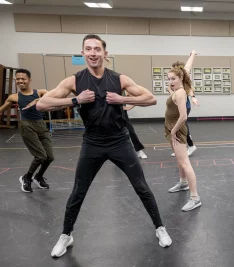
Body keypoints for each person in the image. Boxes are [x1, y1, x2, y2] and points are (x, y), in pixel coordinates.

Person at [35, 34, 172, 257]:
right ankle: (66, 235)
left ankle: (160, 228)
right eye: (88, 49)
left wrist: (122, 99)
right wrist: (75, 100)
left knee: (141, 187)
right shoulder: (74, 81)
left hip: (120, 141)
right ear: (82, 54)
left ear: (105, 54)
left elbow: (150, 98)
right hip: (92, 143)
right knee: (78, 191)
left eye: (97, 49)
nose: (93, 53)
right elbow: (42, 104)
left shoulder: (118, 79)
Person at [0, 68, 53, 192]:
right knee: (41, 156)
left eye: (23, 79)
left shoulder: (40, 92)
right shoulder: (14, 97)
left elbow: (54, 95)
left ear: (29, 80)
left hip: (41, 125)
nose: (20, 81)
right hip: (27, 126)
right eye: (18, 79)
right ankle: (27, 178)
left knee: (50, 157)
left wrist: (37, 100)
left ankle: (38, 176)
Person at [165, 62, 201, 212]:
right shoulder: (176, 91)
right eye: (168, 79)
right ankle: (182, 183)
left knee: (185, 163)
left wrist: (173, 131)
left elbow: (184, 116)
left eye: (173, 79)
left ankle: (195, 198)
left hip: (177, 130)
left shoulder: (180, 92)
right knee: (180, 160)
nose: (170, 82)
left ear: (180, 78)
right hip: (171, 128)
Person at [170, 51, 199, 157]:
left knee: (182, 126)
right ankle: (180, 147)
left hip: (184, 106)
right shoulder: (173, 79)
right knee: (177, 126)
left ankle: (191, 146)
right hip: (175, 105)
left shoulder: (183, 77)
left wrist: (193, 97)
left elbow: (189, 88)